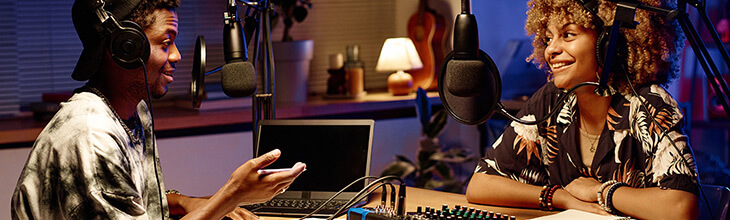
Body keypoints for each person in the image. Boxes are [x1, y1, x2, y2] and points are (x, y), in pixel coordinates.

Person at [11, 0, 306, 219]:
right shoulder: (91, 137)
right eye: (166, 42)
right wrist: (232, 195)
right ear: (126, 48)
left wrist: (187, 202)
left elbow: (135, 201)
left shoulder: (134, 111)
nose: (177, 55)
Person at [465, 0, 699, 219]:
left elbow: (681, 207)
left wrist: (601, 191)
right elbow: (480, 184)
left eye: (568, 35)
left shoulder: (650, 104)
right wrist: (561, 197)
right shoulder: (550, 100)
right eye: (548, 39)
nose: (551, 50)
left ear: (608, 45)